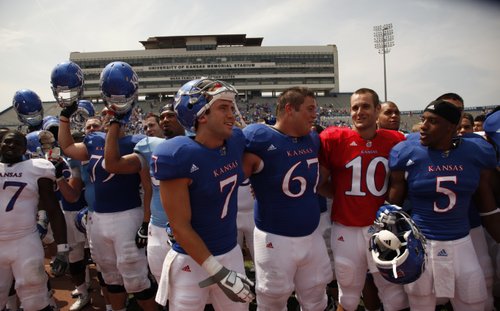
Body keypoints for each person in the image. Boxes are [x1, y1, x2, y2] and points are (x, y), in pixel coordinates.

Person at [58, 61, 157, 311]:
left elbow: (145, 186)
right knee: (110, 275)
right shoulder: (92, 141)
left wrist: (146, 222)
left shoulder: (138, 142)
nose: (107, 115)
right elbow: (67, 147)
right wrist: (64, 116)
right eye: (105, 114)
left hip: (127, 216)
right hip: (97, 218)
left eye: (111, 113)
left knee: (135, 276)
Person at [386, 99, 500, 310]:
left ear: (452, 127)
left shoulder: (475, 152)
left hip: (462, 244)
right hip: (422, 243)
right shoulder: (407, 152)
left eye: (432, 121)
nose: (423, 126)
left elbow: (487, 206)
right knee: (420, 302)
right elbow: (393, 205)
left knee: (473, 301)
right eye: (423, 120)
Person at [151, 78, 254, 310]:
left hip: (230, 251)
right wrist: (219, 273)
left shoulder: (236, 140)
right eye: (223, 108)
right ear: (201, 115)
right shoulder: (178, 154)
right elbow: (180, 227)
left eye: (231, 107)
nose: (232, 115)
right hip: (191, 260)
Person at [242, 86, 333, 310]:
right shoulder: (260, 138)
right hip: (275, 237)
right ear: (290, 109)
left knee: (316, 297)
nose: (315, 115)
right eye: (310, 109)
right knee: (273, 299)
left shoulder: (312, 139)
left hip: (311, 235)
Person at [318, 88, 408, 311]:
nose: (359, 112)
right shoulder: (334, 138)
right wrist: (339, 195)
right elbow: (319, 182)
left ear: (378, 110)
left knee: (393, 294)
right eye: (355, 107)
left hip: (381, 228)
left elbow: (400, 181)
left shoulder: (395, 140)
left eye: (365, 106)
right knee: (348, 295)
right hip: (345, 229)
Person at [104, 102, 185, 283]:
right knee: (162, 284)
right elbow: (112, 164)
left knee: (192, 290)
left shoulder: (199, 142)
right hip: (158, 226)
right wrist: (115, 122)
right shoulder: (149, 146)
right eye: (162, 116)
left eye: (170, 115)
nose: (165, 120)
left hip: (191, 226)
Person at [0, 130, 68, 311]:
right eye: (7, 142)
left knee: (34, 297)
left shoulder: (36, 168)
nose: (11, 146)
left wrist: (62, 250)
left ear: (25, 149)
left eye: (17, 143)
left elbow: (53, 209)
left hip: (25, 241)